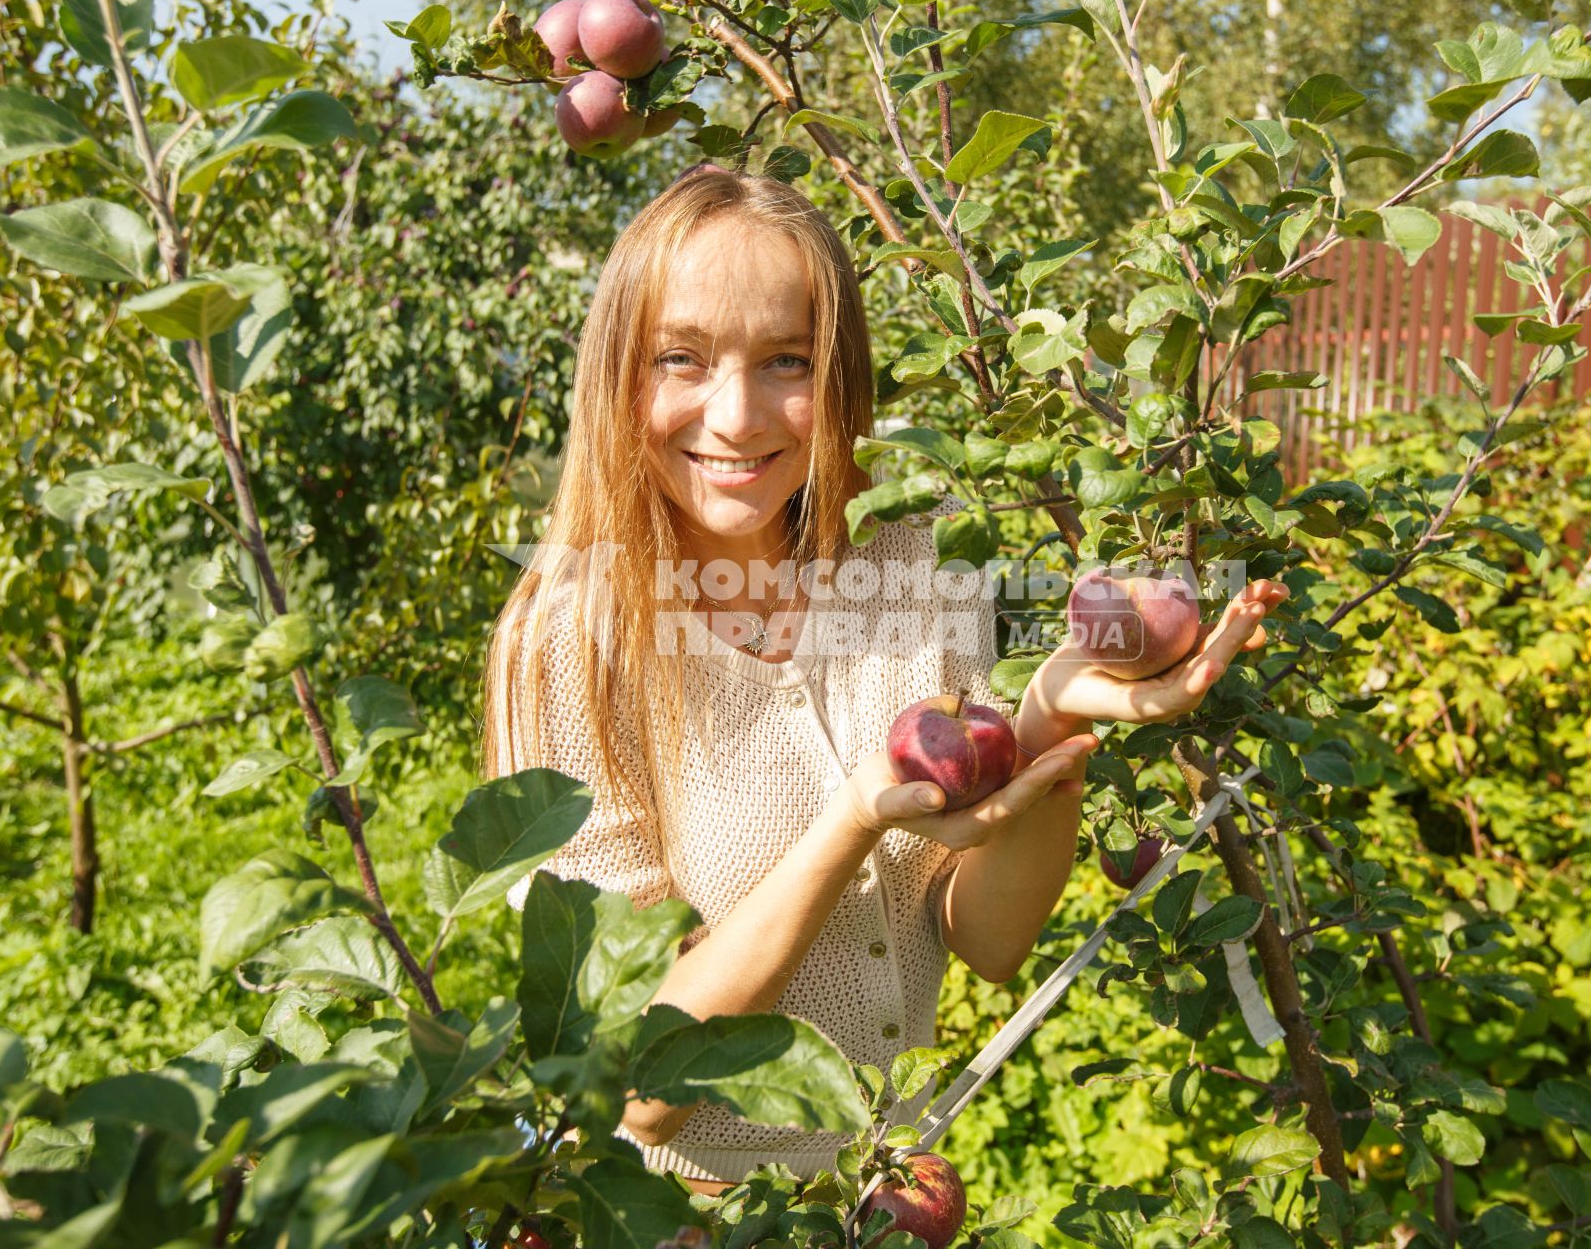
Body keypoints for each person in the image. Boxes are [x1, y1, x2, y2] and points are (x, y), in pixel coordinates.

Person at [480, 166, 1288, 1194]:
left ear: (840, 376)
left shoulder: (909, 563)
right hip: (681, 1213)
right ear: (615, 376)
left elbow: (983, 936)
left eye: (786, 359)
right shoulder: (566, 646)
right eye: (678, 357)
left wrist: (1051, 722)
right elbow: (634, 1077)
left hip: (883, 1198)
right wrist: (852, 817)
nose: (734, 415)